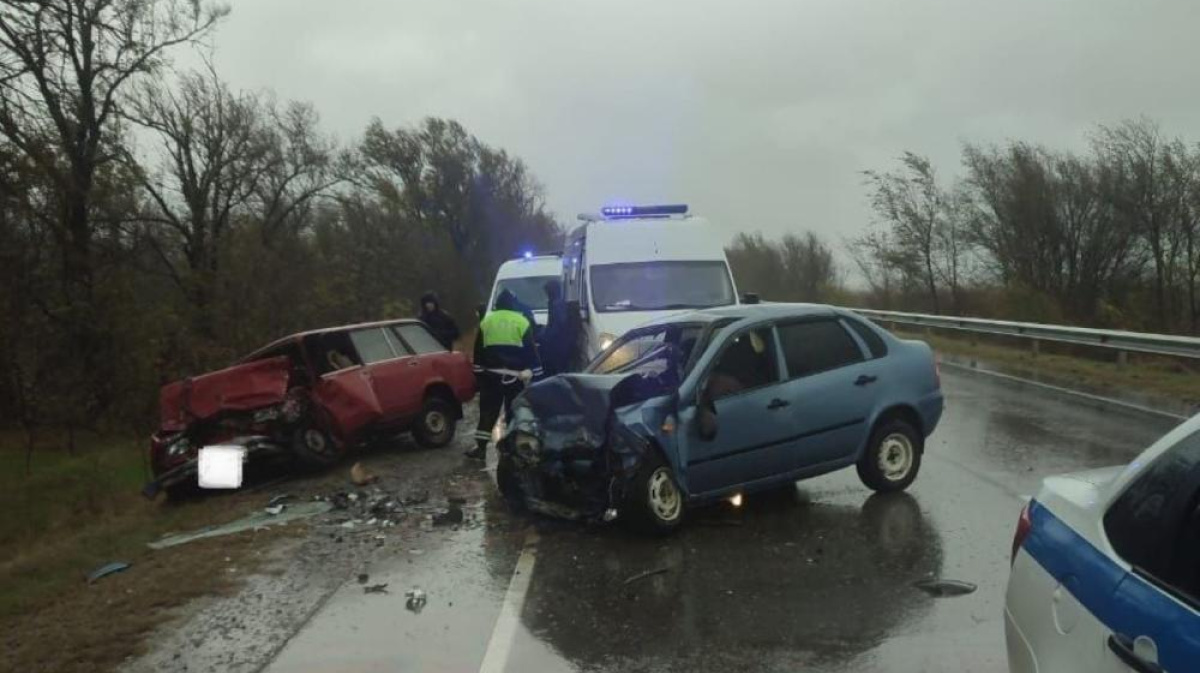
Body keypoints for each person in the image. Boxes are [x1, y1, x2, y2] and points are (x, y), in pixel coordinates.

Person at [467, 289, 543, 460]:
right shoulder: (521, 321)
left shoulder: (486, 322)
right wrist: (533, 371)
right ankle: (511, 448)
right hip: (514, 377)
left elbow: (478, 353)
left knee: (487, 412)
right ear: (512, 304)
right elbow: (531, 353)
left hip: (490, 377)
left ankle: (480, 448)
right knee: (513, 411)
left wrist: (479, 376)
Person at [538, 279, 570, 376]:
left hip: (558, 344)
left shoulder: (557, 304)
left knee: (556, 369)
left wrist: (545, 336)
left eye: (547, 291)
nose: (546, 294)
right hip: (559, 342)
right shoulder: (555, 302)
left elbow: (559, 324)